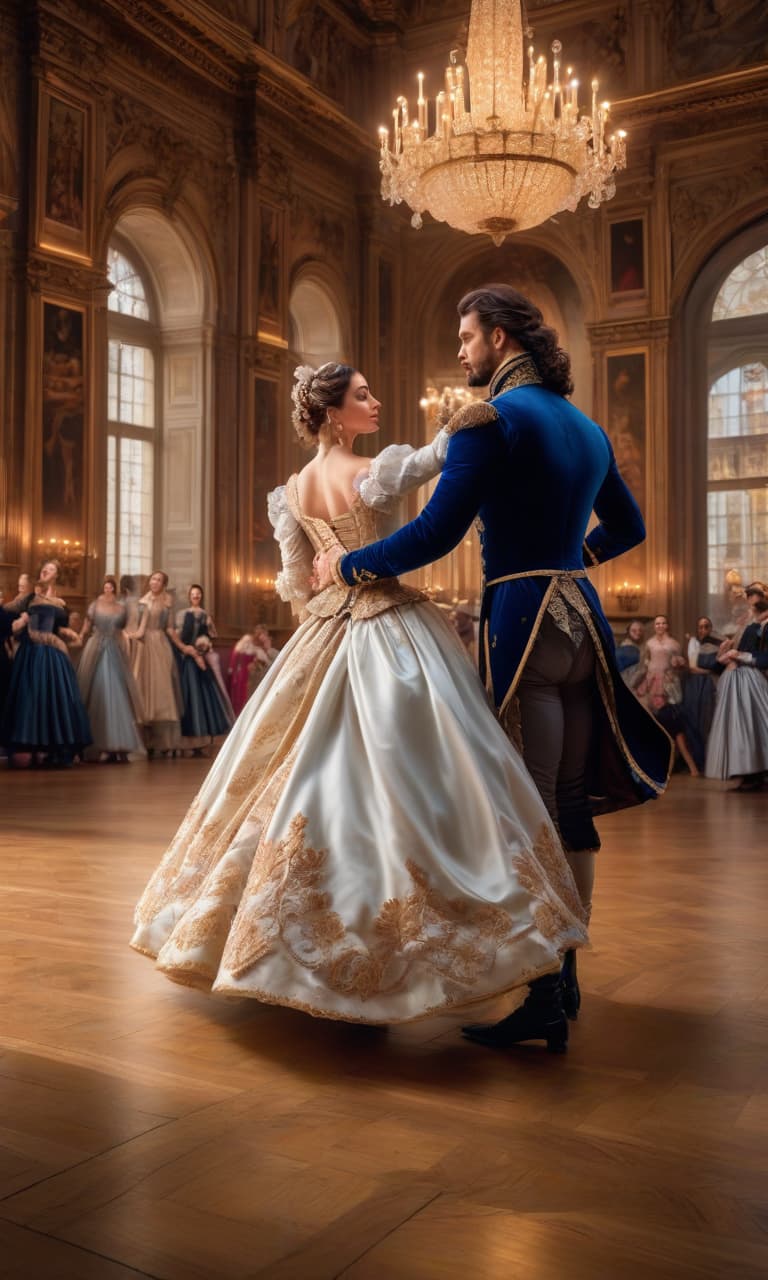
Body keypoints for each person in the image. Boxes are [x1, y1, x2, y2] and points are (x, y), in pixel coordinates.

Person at [131, 362, 588, 1046]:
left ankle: (305, 953)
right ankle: (480, 949)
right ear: (335, 415)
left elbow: (293, 581)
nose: (375, 401)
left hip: (323, 628)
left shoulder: (286, 494)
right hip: (392, 629)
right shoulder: (375, 470)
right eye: (362, 395)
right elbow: (436, 465)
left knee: (307, 784)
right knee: (440, 784)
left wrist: (322, 581)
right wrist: (466, 421)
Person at [314, 284, 673, 1047]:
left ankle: (548, 993)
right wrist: (575, 557)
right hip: (583, 621)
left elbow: (437, 533)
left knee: (528, 810)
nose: (461, 349)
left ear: (502, 339)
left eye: (468, 336)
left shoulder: (487, 419)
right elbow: (629, 526)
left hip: (524, 623)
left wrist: (350, 564)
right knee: (567, 808)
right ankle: (563, 981)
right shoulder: (587, 427)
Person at [0, 559, 91, 767]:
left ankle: (51, 746)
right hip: (32, 652)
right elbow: (5, 610)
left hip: (53, 655)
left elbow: (57, 627)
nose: (45, 571)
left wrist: (70, 635)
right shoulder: (29, 596)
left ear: (56, 575)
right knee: (31, 698)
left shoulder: (60, 602)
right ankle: (30, 745)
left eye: (50, 569)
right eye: (44, 568)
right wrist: (20, 620)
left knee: (53, 699)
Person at [706, 586, 768, 790]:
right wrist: (727, 654)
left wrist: (738, 656)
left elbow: (758, 655)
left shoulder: (759, 625)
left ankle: (756, 773)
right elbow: (739, 650)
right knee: (743, 726)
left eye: (753, 596)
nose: (748, 600)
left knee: (754, 725)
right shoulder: (749, 626)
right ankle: (749, 773)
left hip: (752, 677)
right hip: (742, 677)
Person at [78, 575, 144, 762]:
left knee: (116, 690)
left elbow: (123, 626)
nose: (107, 590)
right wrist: (81, 635)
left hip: (113, 649)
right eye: (105, 587)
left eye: (110, 587)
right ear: (103, 588)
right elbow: (87, 623)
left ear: (114, 590)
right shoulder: (95, 605)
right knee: (92, 689)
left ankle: (119, 743)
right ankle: (95, 743)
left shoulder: (120, 608)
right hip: (95, 646)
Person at [634, 615, 700, 777]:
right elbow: (644, 665)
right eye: (657, 623)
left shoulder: (674, 644)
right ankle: (656, 764)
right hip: (651, 684)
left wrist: (678, 666)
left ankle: (689, 766)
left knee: (673, 723)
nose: (660, 626)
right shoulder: (649, 643)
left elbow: (680, 663)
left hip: (669, 685)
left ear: (667, 626)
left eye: (663, 623)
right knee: (654, 723)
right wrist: (639, 685)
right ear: (654, 626)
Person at [174, 584, 234, 754]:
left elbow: (211, 636)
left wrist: (204, 645)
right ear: (189, 596)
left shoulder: (205, 615)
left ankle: (201, 743)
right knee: (188, 697)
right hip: (187, 660)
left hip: (201, 661)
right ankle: (187, 743)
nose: (195, 596)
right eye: (193, 594)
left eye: (198, 594)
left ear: (201, 596)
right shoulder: (182, 614)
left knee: (204, 699)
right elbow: (179, 638)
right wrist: (190, 652)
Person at [130, 571, 183, 757]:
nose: (155, 582)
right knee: (143, 689)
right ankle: (146, 742)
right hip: (144, 647)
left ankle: (164, 743)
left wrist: (183, 647)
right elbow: (137, 628)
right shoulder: (142, 602)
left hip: (160, 644)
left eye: (159, 580)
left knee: (162, 690)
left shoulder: (168, 602)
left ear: (164, 584)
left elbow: (170, 628)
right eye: (153, 578)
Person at [615, 618, 645, 688]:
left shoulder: (635, 647)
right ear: (628, 632)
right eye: (634, 631)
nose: (638, 633)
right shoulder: (628, 648)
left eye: (640, 630)